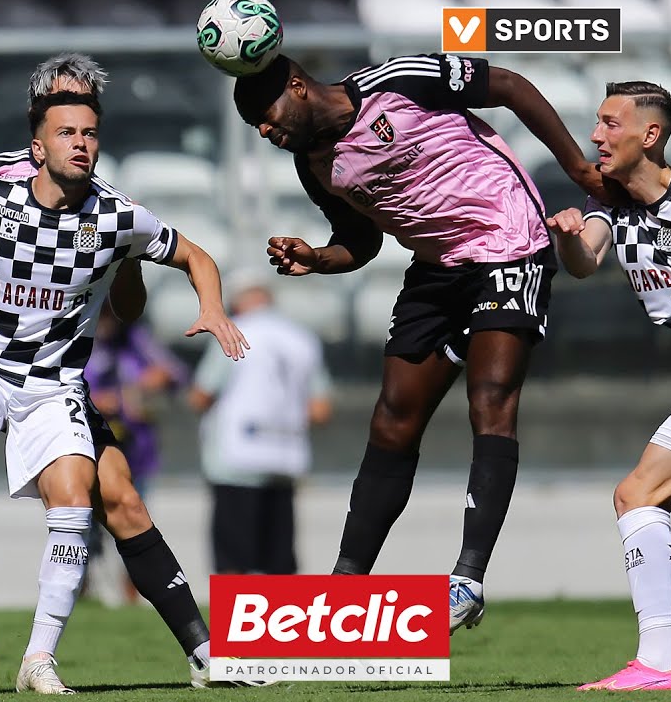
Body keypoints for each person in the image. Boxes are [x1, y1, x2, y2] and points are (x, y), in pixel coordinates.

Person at [0, 54, 256, 691]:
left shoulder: (116, 216)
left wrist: (211, 306)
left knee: (108, 501)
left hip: (55, 382)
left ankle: (71, 658)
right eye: (66, 126)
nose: (81, 140)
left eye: (90, 129)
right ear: (38, 135)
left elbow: (169, 274)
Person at [234, 52, 609, 633]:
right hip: (436, 268)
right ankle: (343, 592)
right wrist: (318, 257)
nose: (264, 130)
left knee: (490, 399)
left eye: (266, 112)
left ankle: (466, 580)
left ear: (298, 87)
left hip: (507, 238)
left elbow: (509, 85)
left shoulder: (399, 80)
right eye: (253, 124)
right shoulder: (314, 166)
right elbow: (361, 243)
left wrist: (579, 169)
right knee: (392, 420)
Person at [542, 81, 671, 691]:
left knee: (638, 494)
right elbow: (583, 262)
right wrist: (568, 236)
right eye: (597, 122)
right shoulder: (610, 204)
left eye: (610, 123)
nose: (596, 135)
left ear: (650, 135)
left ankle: (660, 661)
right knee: (641, 498)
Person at [188, 272, 332, 575]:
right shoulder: (302, 338)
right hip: (286, 456)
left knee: (233, 561)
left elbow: (201, 396)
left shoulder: (234, 332)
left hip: (236, 458)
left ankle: (235, 606)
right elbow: (320, 410)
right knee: (279, 561)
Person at [80, 312, 187, 604]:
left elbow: (176, 373)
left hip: (135, 451)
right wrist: (95, 400)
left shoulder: (137, 340)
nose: (107, 319)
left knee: (135, 521)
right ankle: (81, 589)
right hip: (88, 446)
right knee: (83, 522)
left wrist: (145, 387)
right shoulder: (79, 336)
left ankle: (135, 594)